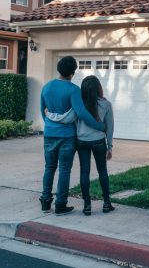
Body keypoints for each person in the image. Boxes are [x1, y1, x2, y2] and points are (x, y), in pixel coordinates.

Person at [40, 56, 105, 216]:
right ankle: (61, 204)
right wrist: (100, 126)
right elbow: (82, 113)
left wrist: (50, 126)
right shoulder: (73, 90)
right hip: (67, 136)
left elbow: (43, 111)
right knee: (64, 169)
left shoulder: (46, 87)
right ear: (73, 72)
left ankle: (45, 201)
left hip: (49, 134)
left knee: (49, 167)